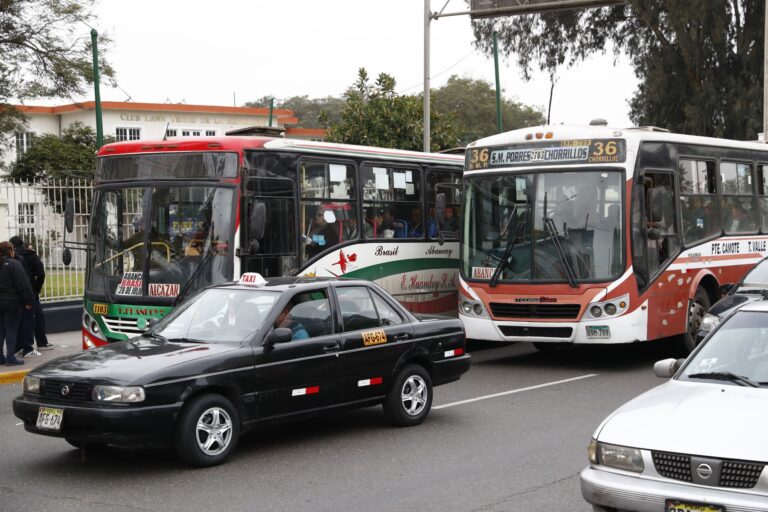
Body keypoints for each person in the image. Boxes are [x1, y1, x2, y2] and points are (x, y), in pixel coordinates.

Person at [10, 237, 52, 354]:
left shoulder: (10, 258)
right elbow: (41, 274)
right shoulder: (30, 256)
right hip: (30, 292)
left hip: (16, 295)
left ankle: (18, 347)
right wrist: (37, 289)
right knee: (31, 319)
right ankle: (31, 347)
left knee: (19, 321)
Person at [0, 242, 34, 365]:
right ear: (10, 251)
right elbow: (23, 285)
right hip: (12, 303)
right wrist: (29, 301)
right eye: (13, 249)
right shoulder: (14, 264)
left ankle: (0, 356)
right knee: (11, 329)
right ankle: (10, 356)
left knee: (1, 330)